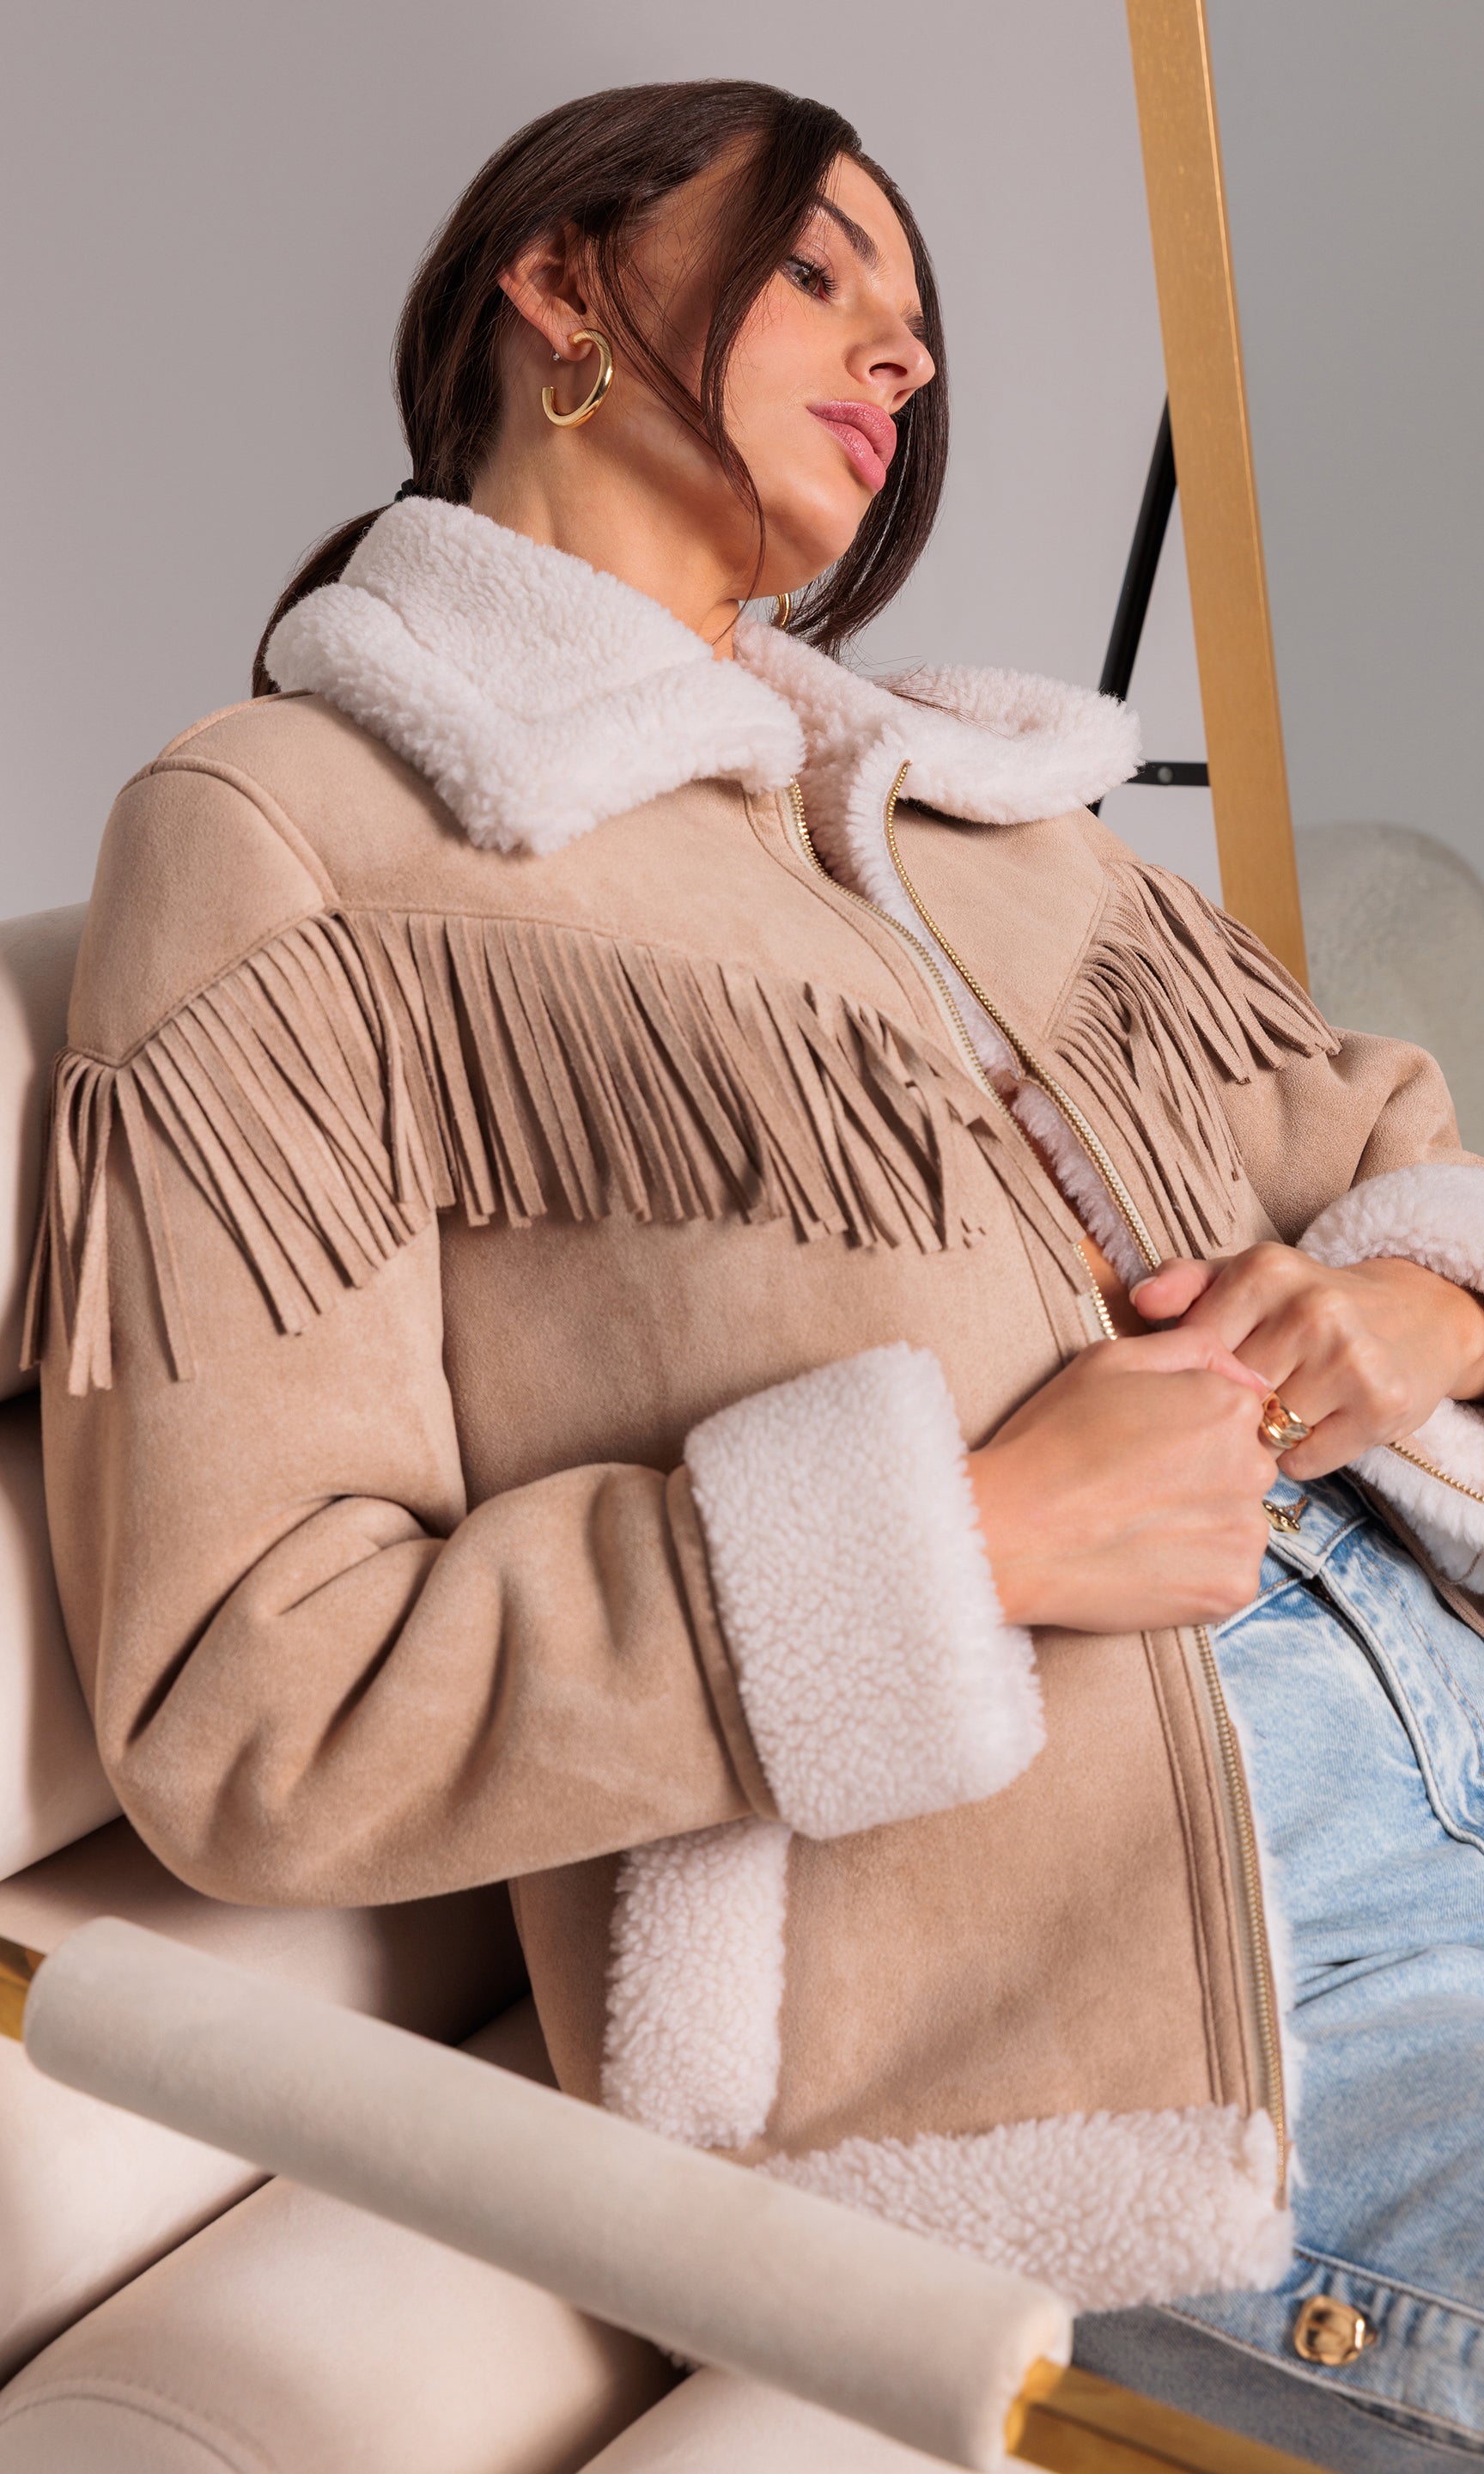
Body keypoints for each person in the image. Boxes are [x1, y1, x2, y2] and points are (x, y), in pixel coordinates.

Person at [27, 76, 1484, 2465]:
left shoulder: (977, 805)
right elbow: (247, 1702)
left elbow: (1387, 1140)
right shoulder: (292, 834)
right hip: (1157, 2015)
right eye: (823, 271)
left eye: (918, 325)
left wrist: (1414, 1309)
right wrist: (974, 1543)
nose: (899, 359)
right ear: (564, 280)